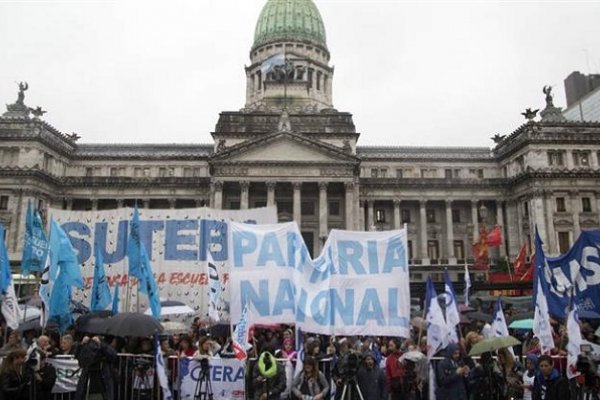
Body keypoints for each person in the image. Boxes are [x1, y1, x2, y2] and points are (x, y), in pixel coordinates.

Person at [74, 335, 118, 400]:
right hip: (87, 385)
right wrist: (81, 344)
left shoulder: (104, 347)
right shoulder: (86, 348)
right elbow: (77, 356)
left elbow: (113, 355)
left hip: (101, 385)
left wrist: (101, 344)